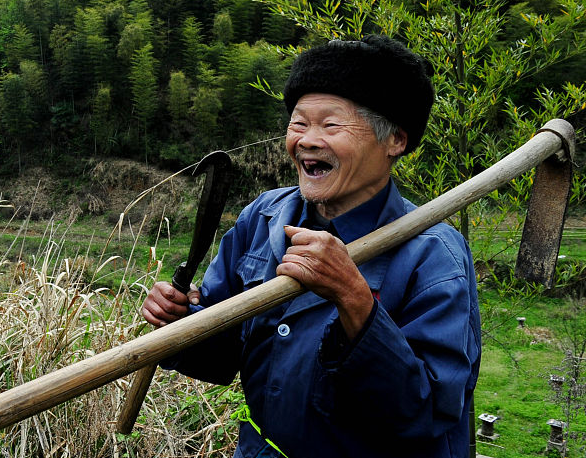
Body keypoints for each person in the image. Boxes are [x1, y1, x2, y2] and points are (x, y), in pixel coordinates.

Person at [142, 36, 480, 458]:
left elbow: (428, 411)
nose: (307, 140)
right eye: (299, 124)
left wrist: (354, 300)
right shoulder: (265, 217)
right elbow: (221, 356)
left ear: (394, 140)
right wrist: (180, 324)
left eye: (331, 126)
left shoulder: (433, 255)